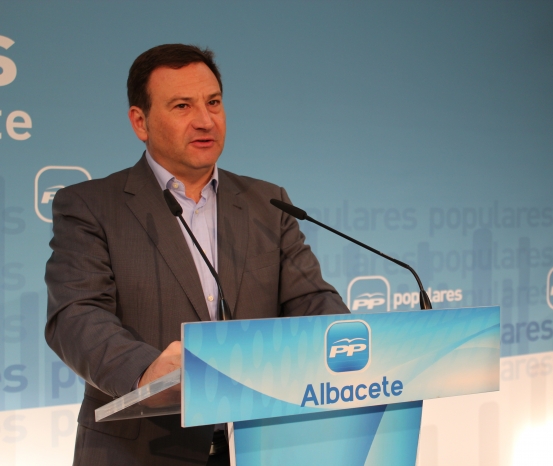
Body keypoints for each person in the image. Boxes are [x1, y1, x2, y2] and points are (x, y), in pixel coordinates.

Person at [45, 44, 349, 466]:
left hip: (258, 446)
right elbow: (76, 315)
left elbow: (311, 299)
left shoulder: (267, 203)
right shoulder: (91, 206)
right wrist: (145, 372)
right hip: (140, 450)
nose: (205, 120)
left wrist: (351, 344)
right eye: (182, 106)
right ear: (140, 121)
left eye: (214, 103)